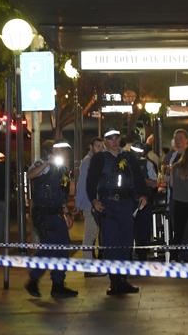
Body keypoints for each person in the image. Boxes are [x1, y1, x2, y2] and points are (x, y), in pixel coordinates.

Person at [86, 128, 147, 295]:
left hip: (127, 204)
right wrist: (94, 200)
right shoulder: (100, 159)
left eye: (116, 137)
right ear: (105, 141)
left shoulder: (128, 157)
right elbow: (91, 181)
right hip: (108, 205)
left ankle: (123, 279)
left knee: (126, 242)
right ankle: (114, 282)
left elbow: (138, 177)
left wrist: (142, 194)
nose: (113, 141)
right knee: (111, 243)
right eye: (110, 138)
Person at [24, 140, 78, 299]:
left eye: (67, 151)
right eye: (62, 151)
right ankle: (34, 279)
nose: (66, 154)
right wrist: (48, 162)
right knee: (50, 247)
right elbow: (30, 174)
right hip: (43, 214)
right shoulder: (43, 164)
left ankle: (58, 284)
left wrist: (66, 212)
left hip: (55, 213)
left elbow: (61, 194)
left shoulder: (62, 170)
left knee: (62, 246)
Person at [75, 137, 105, 275]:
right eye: (97, 146)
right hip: (89, 203)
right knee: (90, 234)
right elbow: (82, 184)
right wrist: (78, 203)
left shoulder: (95, 161)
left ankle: (90, 265)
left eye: (101, 145)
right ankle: (88, 267)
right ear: (91, 147)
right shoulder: (88, 161)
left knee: (92, 234)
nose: (100, 148)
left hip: (93, 202)